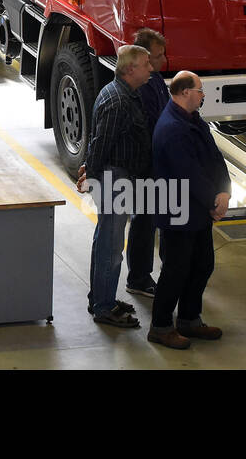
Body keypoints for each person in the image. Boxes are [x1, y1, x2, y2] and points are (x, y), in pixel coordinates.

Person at [147, 71, 231, 350]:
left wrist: (224, 191)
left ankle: (189, 319)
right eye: (199, 89)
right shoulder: (172, 128)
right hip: (178, 210)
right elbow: (189, 173)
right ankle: (160, 327)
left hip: (197, 209)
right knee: (176, 270)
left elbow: (214, 157)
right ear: (185, 93)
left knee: (202, 264)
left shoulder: (193, 120)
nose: (203, 94)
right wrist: (213, 200)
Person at [82, 44, 152, 328]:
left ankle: (100, 297)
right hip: (114, 181)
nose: (150, 68)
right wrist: (92, 176)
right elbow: (100, 144)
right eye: (146, 64)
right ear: (131, 68)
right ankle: (104, 307)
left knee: (105, 241)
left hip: (116, 178)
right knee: (111, 248)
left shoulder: (122, 94)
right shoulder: (118, 101)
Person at [125, 27, 168, 299]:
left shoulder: (156, 80)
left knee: (153, 218)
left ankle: (154, 271)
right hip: (147, 166)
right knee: (144, 221)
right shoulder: (143, 88)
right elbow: (153, 126)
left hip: (157, 164)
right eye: (158, 56)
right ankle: (138, 277)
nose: (164, 60)